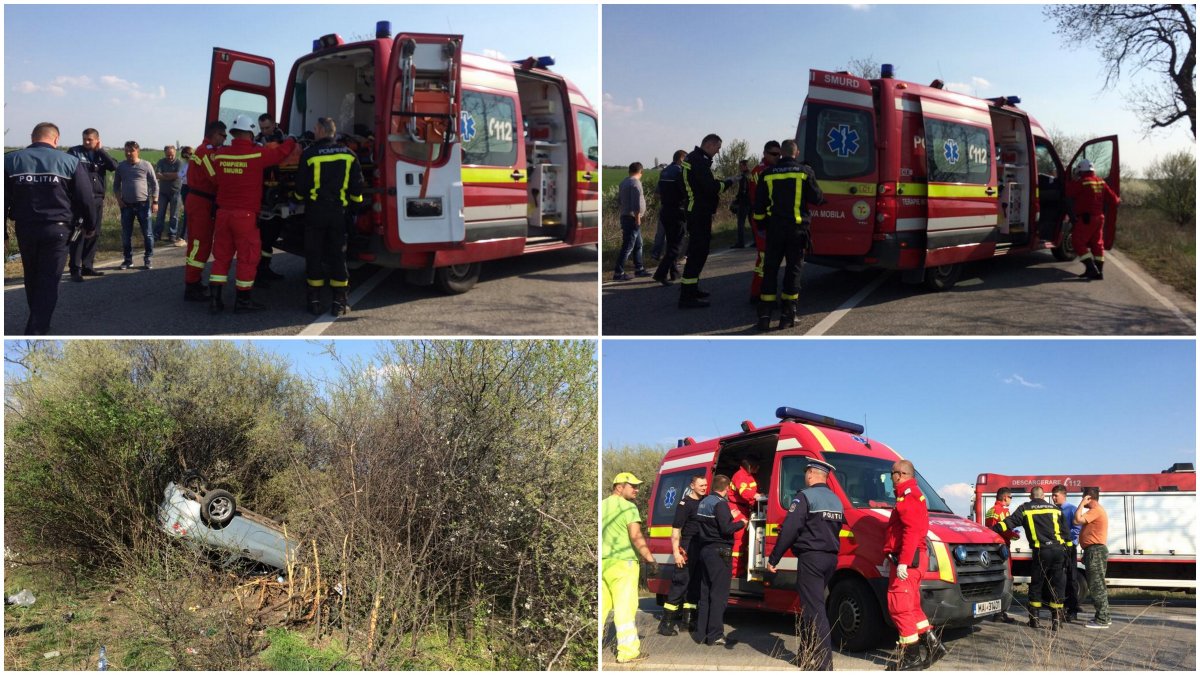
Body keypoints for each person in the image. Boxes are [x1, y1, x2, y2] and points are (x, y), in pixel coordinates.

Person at [4, 122, 96, 334]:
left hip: (25, 228)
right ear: (56, 139)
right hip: (58, 230)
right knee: (49, 279)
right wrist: (90, 226)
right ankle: (37, 328)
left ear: (32, 137)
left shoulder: (9, 161)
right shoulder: (70, 162)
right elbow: (85, 198)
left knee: (32, 275)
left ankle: (38, 320)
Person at [205, 114, 297, 313]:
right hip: (244, 217)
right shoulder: (256, 154)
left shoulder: (221, 154)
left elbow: (218, 179)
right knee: (247, 258)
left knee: (221, 257)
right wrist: (292, 139)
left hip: (223, 214)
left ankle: (215, 299)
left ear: (233, 133)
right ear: (250, 133)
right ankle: (243, 301)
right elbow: (281, 153)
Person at [766, 458, 843, 670]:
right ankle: (805, 654)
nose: (805, 477)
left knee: (815, 609)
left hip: (812, 559)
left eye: (806, 474)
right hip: (830, 559)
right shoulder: (836, 500)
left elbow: (790, 530)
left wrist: (774, 558)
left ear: (810, 474)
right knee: (810, 606)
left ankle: (824, 664)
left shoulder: (804, 497)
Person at [292, 117, 364, 316]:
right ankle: (339, 302)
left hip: (315, 213)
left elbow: (300, 187)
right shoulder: (349, 155)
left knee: (314, 255)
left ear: (323, 131)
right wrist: (354, 210)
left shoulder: (309, 154)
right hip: (338, 214)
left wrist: (295, 199)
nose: (314, 132)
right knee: (338, 256)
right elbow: (357, 187)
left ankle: (314, 301)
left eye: (315, 128)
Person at [752, 139, 824, 331]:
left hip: (774, 231)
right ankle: (787, 316)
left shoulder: (767, 174)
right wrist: (811, 174)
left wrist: (761, 224)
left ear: (781, 153)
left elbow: (758, 207)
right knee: (793, 271)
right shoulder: (804, 172)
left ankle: (764, 316)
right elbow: (817, 198)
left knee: (770, 270)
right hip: (797, 230)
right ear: (796, 152)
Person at [883, 460, 945, 671]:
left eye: (891, 474)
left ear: (899, 474)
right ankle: (933, 646)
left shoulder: (908, 496)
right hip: (914, 558)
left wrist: (903, 562)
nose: (890, 478)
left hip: (909, 559)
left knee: (900, 607)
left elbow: (911, 532)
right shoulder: (910, 494)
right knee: (911, 607)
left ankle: (911, 659)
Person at [991, 486, 1068, 630]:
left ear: (1031, 497)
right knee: (1057, 585)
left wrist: (990, 531)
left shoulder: (1025, 508)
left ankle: (1034, 620)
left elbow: (1008, 523)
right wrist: (1068, 552)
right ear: (1044, 496)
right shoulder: (1056, 509)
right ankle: (1057, 621)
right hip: (1058, 551)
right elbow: (1066, 534)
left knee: (1037, 585)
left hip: (1041, 552)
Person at [601, 472, 656, 664]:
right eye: (632, 486)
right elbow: (636, 536)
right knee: (625, 608)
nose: (636, 489)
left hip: (603, 562)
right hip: (624, 563)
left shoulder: (601, 505)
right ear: (619, 487)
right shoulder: (628, 507)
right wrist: (649, 558)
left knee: (601, 608)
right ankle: (628, 652)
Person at [678, 133, 733, 309]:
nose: (717, 153)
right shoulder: (699, 161)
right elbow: (711, 187)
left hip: (697, 211)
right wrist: (729, 182)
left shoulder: (694, 158)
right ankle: (687, 296)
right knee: (697, 253)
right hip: (698, 212)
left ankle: (692, 287)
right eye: (717, 148)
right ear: (709, 145)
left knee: (699, 252)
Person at [693, 473, 745, 647]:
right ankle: (715, 635)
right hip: (720, 551)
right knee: (719, 595)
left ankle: (701, 633)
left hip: (705, 550)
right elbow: (726, 528)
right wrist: (742, 523)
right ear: (727, 488)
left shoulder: (704, 502)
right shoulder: (721, 504)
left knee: (705, 593)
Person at [182, 121, 227, 302]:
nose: (224, 139)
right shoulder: (205, 151)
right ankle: (191, 285)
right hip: (201, 202)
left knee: (202, 243)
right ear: (215, 134)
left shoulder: (205, 150)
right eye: (223, 135)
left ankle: (194, 281)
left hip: (202, 201)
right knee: (199, 244)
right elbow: (215, 177)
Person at [658, 474, 708, 637]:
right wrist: (676, 553)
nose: (704, 487)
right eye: (701, 485)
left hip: (701, 547)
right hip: (687, 547)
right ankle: (666, 624)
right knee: (680, 584)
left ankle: (688, 622)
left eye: (705, 485)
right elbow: (676, 530)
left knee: (694, 585)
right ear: (692, 486)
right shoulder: (684, 504)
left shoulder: (706, 501)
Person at [66, 128, 118, 281]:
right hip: (79, 200)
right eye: (84, 139)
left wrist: (100, 151)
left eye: (90, 139)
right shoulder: (74, 152)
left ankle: (88, 266)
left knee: (94, 232)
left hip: (97, 199)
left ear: (97, 140)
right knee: (78, 234)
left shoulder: (101, 153)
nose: (86, 142)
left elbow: (114, 166)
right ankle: (75, 269)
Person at [1065, 158, 1120, 280]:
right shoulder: (1101, 182)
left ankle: (1091, 268)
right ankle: (1099, 272)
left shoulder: (1082, 182)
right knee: (1097, 244)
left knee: (1077, 242)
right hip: (1099, 218)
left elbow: (1068, 193)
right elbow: (1115, 200)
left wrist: (1072, 181)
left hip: (1086, 219)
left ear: (1081, 170)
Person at [112, 140, 158, 270]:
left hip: (143, 205)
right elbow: (116, 186)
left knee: (148, 234)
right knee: (126, 234)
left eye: (131, 150)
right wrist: (119, 200)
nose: (128, 153)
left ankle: (148, 259)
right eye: (126, 150)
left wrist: (155, 201)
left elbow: (154, 184)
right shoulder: (121, 167)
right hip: (126, 206)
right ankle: (128, 260)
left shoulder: (146, 165)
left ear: (137, 151)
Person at [255, 114, 289, 282]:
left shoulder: (282, 139)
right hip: (264, 194)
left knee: (271, 236)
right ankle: (261, 271)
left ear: (274, 125)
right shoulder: (258, 141)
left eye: (267, 128)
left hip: (280, 191)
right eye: (261, 128)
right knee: (265, 238)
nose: (264, 131)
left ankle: (265, 268)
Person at [747, 141, 781, 303]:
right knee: (764, 257)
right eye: (774, 154)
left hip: (770, 219)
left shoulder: (771, 169)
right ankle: (758, 294)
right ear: (765, 153)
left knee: (764, 258)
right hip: (761, 219)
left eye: (779, 154)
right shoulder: (760, 171)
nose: (777, 157)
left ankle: (758, 291)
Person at [1073, 489, 1111, 629]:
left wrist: (1082, 504)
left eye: (1084, 497)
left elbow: (1077, 520)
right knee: (1098, 584)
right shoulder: (1096, 511)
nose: (1082, 499)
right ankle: (1104, 616)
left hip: (1095, 550)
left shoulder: (1095, 510)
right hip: (1093, 551)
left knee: (1096, 586)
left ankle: (1102, 620)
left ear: (1089, 498)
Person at [984, 487, 1019, 624]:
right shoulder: (1003, 511)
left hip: (993, 548)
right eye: (1010, 497)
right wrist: (1015, 536)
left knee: (996, 578)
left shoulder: (990, 510)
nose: (1010, 499)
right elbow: (1005, 529)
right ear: (1005, 497)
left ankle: (995, 611)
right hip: (1003, 548)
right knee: (1006, 578)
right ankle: (1001, 613)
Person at [652, 150, 687, 285]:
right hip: (677, 211)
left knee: (671, 243)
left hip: (665, 211)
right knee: (676, 246)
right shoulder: (680, 172)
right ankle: (660, 274)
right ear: (681, 159)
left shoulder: (664, 172)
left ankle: (674, 273)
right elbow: (685, 192)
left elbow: (657, 194)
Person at [614, 162, 651, 280]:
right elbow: (636, 204)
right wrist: (638, 218)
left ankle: (639, 269)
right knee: (628, 246)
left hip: (626, 216)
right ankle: (618, 273)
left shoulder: (624, 182)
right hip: (632, 219)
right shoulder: (636, 183)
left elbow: (619, 200)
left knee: (638, 244)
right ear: (641, 172)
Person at [1051, 485, 1083, 622]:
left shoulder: (1071, 509)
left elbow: (1077, 529)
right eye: (1052, 495)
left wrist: (1067, 541)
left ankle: (1073, 609)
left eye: (1055, 495)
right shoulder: (1053, 510)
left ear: (1064, 495)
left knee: (1071, 578)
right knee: (1058, 579)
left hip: (1069, 549)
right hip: (1057, 549)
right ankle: (1060, 608)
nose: (1053, 498)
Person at [728, 458, 761, 578]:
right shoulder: (740, 475)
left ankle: (741, 569)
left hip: (745, 509)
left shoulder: (749, 476)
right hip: (737, 509)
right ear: (750, 465)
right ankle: (735, 572)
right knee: (739, 542)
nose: (758, 469)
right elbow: (744, 492)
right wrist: (755, 496)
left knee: (744, 542)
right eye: (757, 466)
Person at [154, 145, 184, 244]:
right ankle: (157, 234)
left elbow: (178, 175)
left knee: (174, 215)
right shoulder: (161, 162)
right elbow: (157, 175)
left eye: (171, 155)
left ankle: (172, 235)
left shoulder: (179, 163)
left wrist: (165, 175)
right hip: (162, 192)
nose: (170, 157)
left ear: (175, 153)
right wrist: (170, 176)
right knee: (160, 214)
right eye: (168, 155)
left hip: (175, 192)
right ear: (165, 153)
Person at [730, 159, 751, 249]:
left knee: (741, 223)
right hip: (751, 201)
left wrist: (737, 200)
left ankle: (741, 242)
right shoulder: (751, 175)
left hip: (744, 202)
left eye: (741, 166)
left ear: (745, 166)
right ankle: (755, 241)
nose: (740, 168)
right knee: (752, 222)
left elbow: (743, 190)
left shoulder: (743, 176)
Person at [176, 146, 193, 246]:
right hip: (185, 188)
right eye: (184, 157)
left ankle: (185, 236)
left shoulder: (195, 164)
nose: (186, 158)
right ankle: (184, 236)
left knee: (189, 213)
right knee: (187, 212)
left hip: (192, 188)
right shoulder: (184, 164)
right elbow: (180, 175)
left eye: (187, 156)